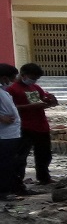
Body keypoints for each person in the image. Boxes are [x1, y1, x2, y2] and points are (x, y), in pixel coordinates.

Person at [7, 63, 57, 189]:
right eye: (32, 77)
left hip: (40, 125)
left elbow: (42, 102)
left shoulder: (35, 87)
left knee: (44, 154)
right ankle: (17, 182)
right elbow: (11, 109)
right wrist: (31, 107)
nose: (34, 80)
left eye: (36, 79)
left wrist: (51, 101)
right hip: (24, 126)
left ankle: (44, 177)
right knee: (21, 156)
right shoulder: (12, 89)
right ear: (23, 75)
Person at [0, 64, 22, 200]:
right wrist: (1, 117)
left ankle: (12, 188)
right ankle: (3, 191)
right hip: (3, 135)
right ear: (4, 78)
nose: (13, 81)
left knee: (10, 163)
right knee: (4, 164)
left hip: (11, 133)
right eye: (12, 78)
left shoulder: (4, 91)